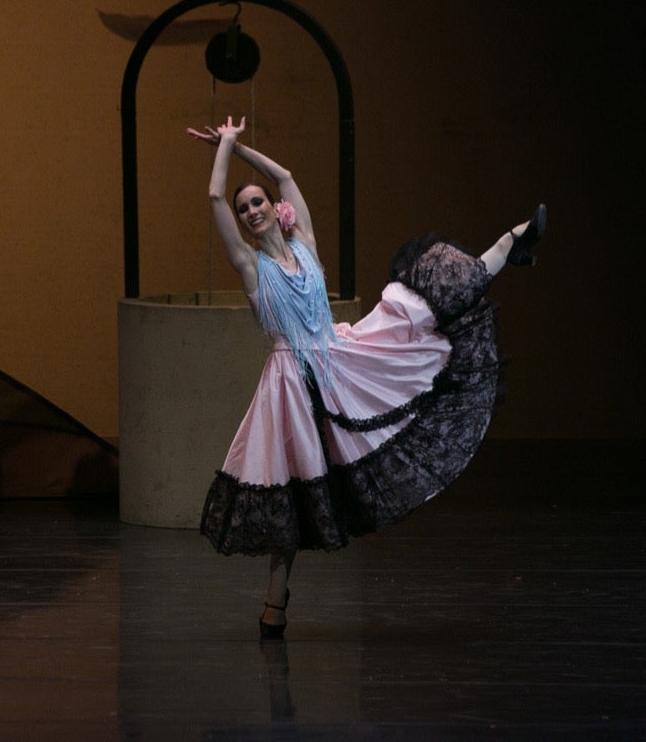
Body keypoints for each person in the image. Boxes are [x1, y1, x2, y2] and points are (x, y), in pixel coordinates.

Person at [187, 116, 544, 639]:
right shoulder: (249, 267)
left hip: (338, 357)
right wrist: (224, 147)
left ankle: (510, 246)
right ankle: (274, 604)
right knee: (293, 491)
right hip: (290, 383)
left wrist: (244, 150)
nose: (251, 211)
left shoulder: (303, 241)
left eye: (257, 203)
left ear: (272, 208)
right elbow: (214, 199)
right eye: (245, 210)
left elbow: (285, 175)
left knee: (415, 312)